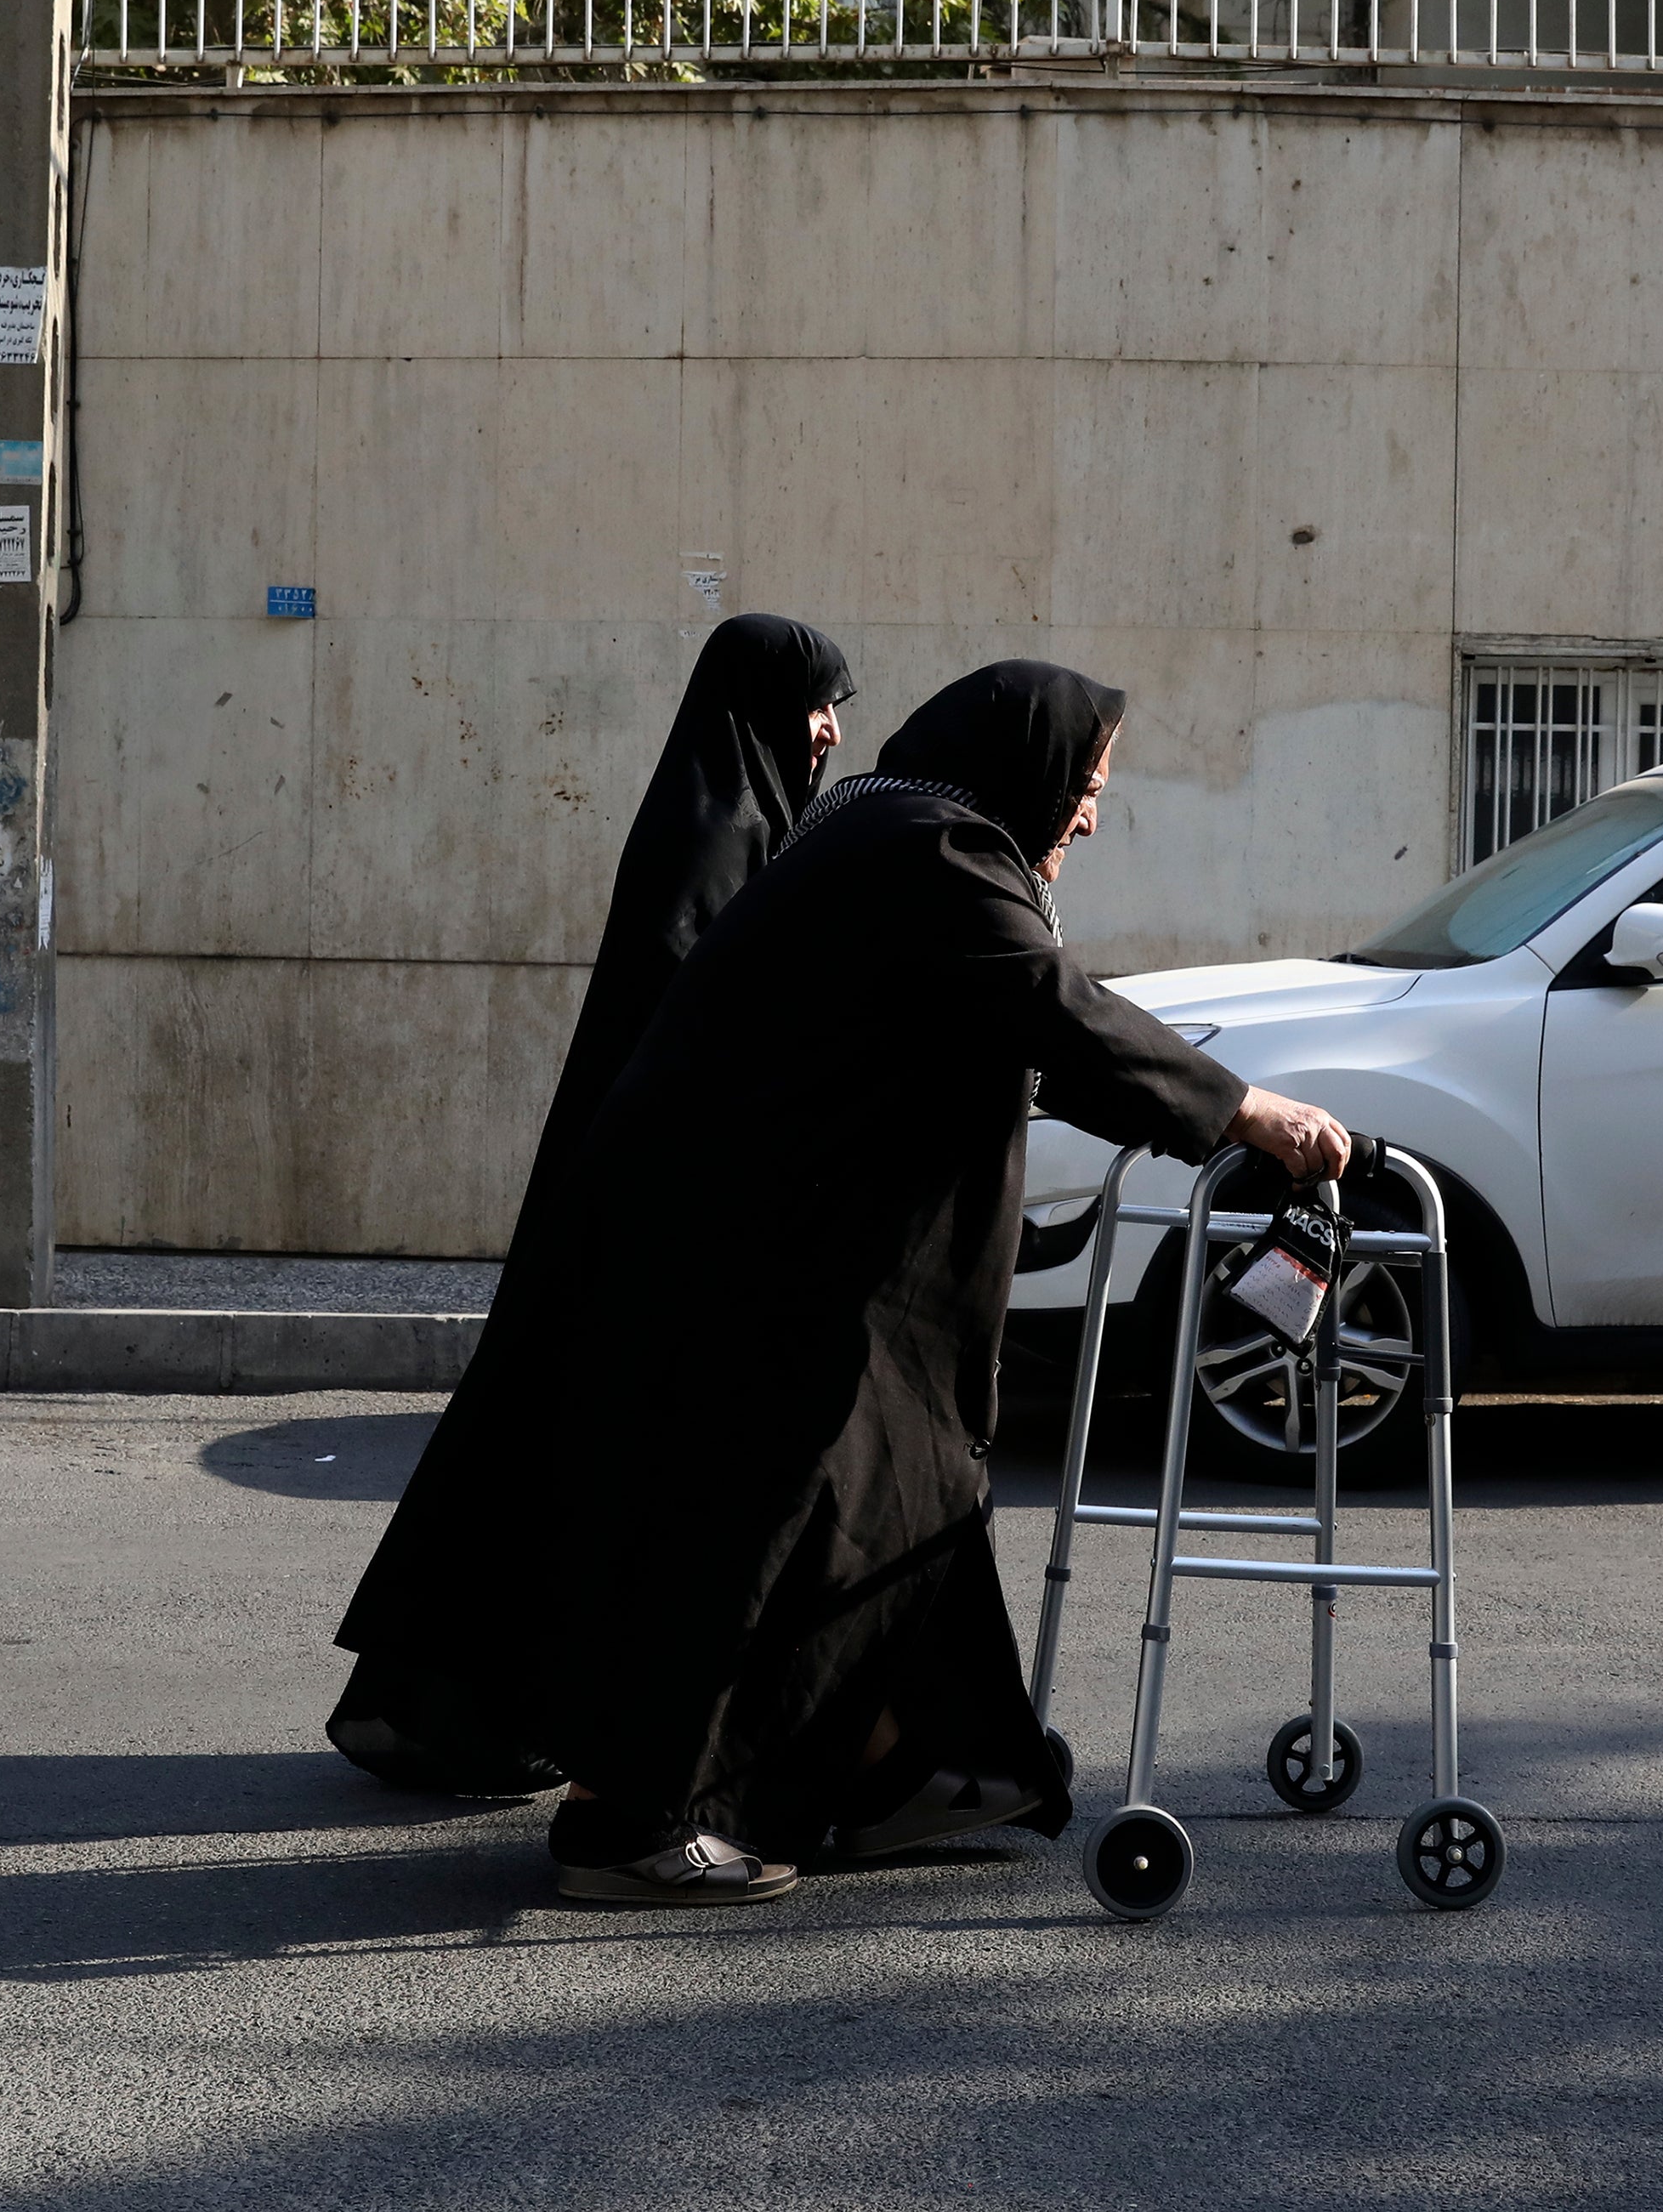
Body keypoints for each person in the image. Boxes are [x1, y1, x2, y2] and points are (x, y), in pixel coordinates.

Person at [515, 659, 1350, 1906]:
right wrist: (1244, 1111)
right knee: (760, 1526)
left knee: (902, 1490)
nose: (1089, 814)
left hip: (762, 1241)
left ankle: (928, 1761)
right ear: (1025, 761)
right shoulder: (933, 847)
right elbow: (1045, 1004)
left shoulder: (894, 823)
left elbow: (1015, 1016)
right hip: (758, 1256)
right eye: (1086, 783)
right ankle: (622, 1823)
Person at [327, 612, 859, 1792]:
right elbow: (699, 1034)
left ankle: (489, 1711)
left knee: (563, 1455)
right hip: (653, 1215)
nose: (828, 728)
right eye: (819, 701)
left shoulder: (740, 819)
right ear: (763, 704)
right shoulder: (718, 836)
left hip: (647, 1202)